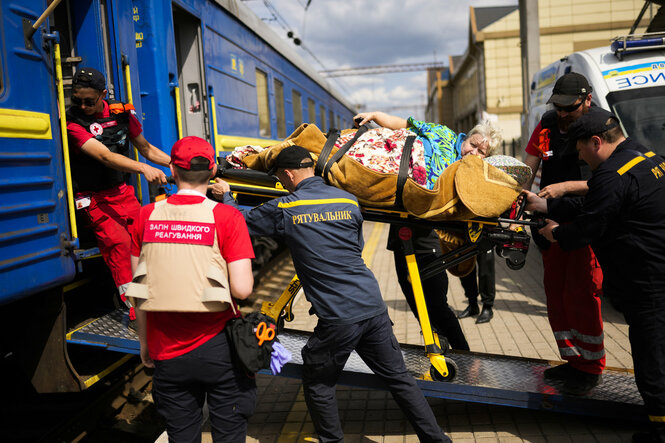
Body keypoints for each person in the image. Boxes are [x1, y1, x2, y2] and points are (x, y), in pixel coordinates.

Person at [211, 145, 451, 442]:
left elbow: (240, 222)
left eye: (281, 179)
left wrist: (227, 196)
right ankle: (438, 440)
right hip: (372, 306)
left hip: (339, 316)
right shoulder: (349, 201)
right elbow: (356, 247)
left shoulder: (286, 208)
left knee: (318, 382)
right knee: (400, 380)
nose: (282, 185)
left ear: (288, 174)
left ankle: (331, 440)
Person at [523, 108, 665, 443]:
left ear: (597, 141)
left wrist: (555, 234)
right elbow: (602, 205)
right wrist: (547, 206)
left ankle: (660, 432)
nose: (580, 157)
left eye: (582, 149)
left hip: (648, 284)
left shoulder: (611, 174)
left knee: (652, 362)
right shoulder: (648, 158)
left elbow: (590, 225)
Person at [128, 136, 256, 442]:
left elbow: (140, 293)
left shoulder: (145, 216)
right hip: (220, 348)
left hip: (166, 350)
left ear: (173, 170)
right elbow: (241, 290)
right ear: (213, 170)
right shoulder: (227, 216)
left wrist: (145, 344)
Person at [353, 112, 503, 349]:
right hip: (403, 227)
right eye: (472, 145)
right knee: (411, 293)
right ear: (467, 137)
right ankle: (436, 341)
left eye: (481, 152)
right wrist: (375, 115)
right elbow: (404, 124)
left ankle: (463, 352)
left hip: (433, 235)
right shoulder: (441, 132)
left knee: (435, 301)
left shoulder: (473, 174)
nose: (473, 152)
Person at [522, 72, 605, 395]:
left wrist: (566, 187)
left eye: (568, 108)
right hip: (548, 224)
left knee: (581, 295)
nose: (562, 114)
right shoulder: (547, 124)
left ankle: (591, 367)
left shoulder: (601, 128)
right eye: (557, 107)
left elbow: (610, 179)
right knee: (557, 297)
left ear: (586, 100)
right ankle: (572, 361)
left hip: (583, 226)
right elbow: (528, 168)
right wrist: (516, 200)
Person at [66, 67, 170, 322]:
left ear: (103, 94)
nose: (82, 106)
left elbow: (145, 148)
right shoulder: (72, 122)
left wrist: (176, 164)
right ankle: (137, 310)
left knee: (147, 241)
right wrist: (142, 168)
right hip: (93, 198)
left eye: (89, 101)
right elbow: (105, 156)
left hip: (121, 193)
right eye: (76, 100)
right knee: (120, 246)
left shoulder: (121, 113)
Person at [457, 248, 496, 324]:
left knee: (486, 270)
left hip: (484, 238)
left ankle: (487, 307)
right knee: (466, 268)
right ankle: (472, 305)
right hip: (465, 238)